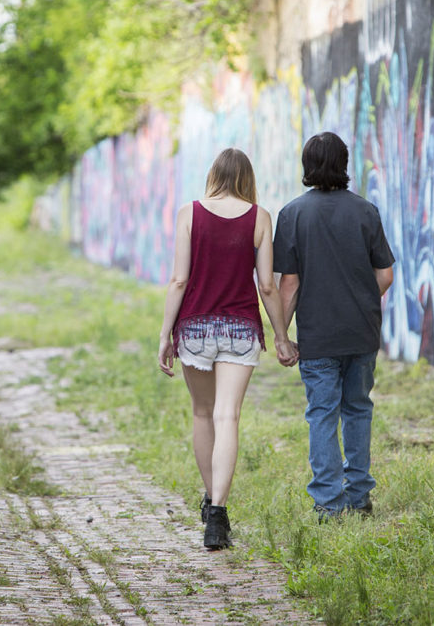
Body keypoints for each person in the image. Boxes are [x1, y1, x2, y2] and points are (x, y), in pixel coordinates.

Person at [158, 148, 297, 550]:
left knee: (203, 414)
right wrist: (282, 336)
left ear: (213, 174)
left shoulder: (190, 213)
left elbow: (179, 281)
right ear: (247, 178)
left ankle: (211, 502)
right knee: (228, 416)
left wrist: (166, 334)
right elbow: (267, 285)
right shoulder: (260, 217)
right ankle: (217, 512)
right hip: (240, 328)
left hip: (195, 327)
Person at [272, 131, 395, 522]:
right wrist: (360, 298)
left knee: (322, 413)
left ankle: (328, 501)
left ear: (307, 166)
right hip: (361, 333)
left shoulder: (293, 214)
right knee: (358, 409)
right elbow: (386, 275)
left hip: (318, 337)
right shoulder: (366, 211)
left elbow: (288, 284)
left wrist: (282, 335)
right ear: (343, 165)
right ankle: (359, 497)